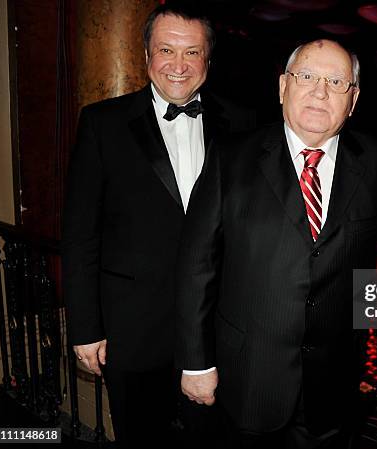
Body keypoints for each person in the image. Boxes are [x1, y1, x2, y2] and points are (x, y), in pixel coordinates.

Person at [175, 39, 377, 449]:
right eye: (307, 77)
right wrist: (196, 363)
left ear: (353, 99)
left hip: (334, 388)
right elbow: (196, 265)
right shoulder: (230, 158)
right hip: (247, 378)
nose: (320, 92)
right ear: (283, 86)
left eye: (336, 82)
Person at [61, 3, 254, 445]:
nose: (179, 65)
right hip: (132, 330)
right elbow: (80, 234)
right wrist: (86, 327)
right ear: (146, 55)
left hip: (217, 333)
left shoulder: (243, 124)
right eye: (166, 49)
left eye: (192, 52)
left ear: (208, 59)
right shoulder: (102, 123)